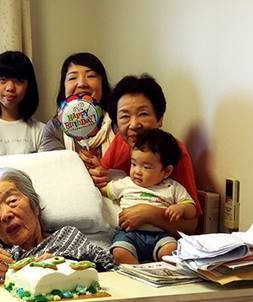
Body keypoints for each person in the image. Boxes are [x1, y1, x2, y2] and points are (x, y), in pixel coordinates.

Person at [81, 74, 201, 235]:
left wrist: (151, 214)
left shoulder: (173, 151)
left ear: (160, 119)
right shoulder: (120, 141)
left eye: (143, 114)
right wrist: (98, 173)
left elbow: (191, 225)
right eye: (124, 116)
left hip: (160, 238)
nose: (133, 124)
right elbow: (107, 187)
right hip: (123, 234)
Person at [0, 167, 115, 285]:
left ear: (35, 206)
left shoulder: (66, 236)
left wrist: (67, 266)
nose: (5, 214)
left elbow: (112, 271)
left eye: (12, 201)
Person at [102, 128, 197, 264]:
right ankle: (136, 271)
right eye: (134, 164)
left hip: (160, 235)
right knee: (119, 252)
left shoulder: (172, 187)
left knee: (172, 249)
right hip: (129, 233)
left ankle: (158, 271)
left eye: (146, 167)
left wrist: (181, 208)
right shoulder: (126, 183)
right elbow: (104, 191)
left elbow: (192, 209)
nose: (137, 171)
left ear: (166, 171)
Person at [41, 52, 114, 157]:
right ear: (64, 87)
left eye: (91, 76)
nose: (82, 84)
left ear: (103, 84)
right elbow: (57, 165)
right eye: (72, 78)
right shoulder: (54, 128)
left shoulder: (118, 122)